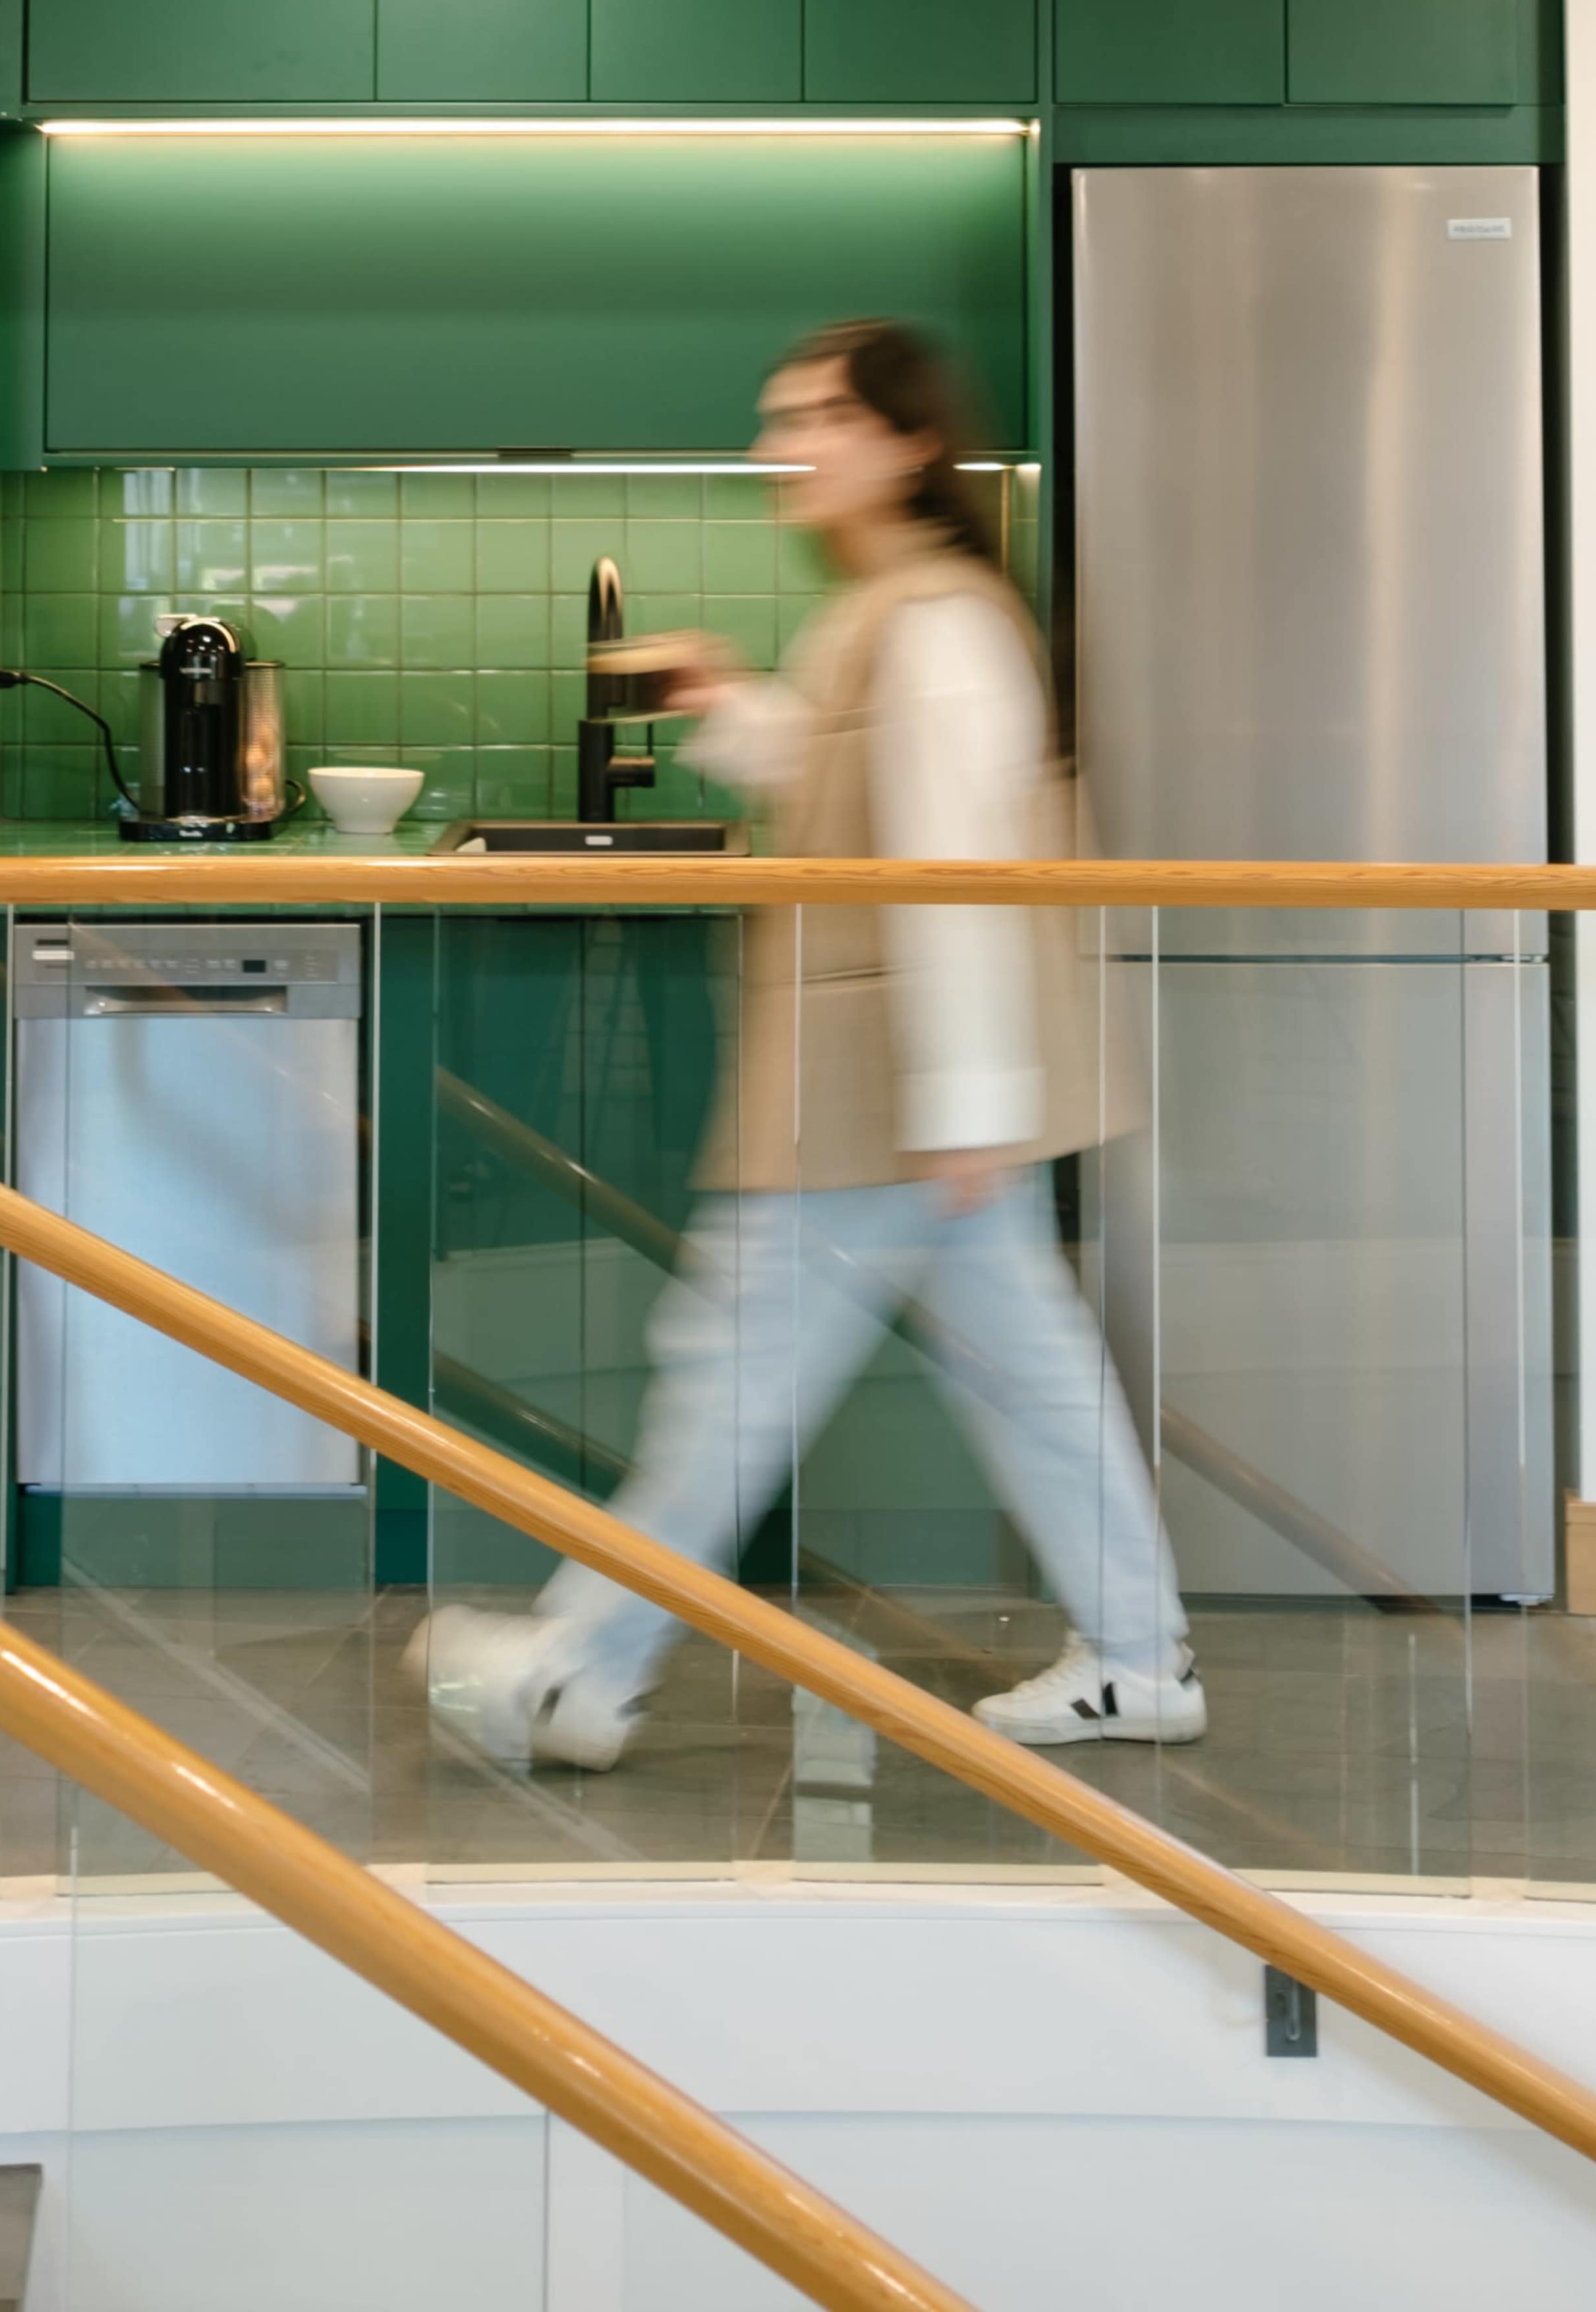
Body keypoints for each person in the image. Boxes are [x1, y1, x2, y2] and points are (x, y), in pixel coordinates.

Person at [411, 318, 1202, 1770]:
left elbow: (956, 870)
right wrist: (727, 702)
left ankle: (574, 1668)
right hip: (911, 1098)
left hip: (884, 1096)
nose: (785, 446)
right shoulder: (890, 609)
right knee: (1018, 1378)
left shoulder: (934, 618)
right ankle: (1142, 1658)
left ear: (909, 441)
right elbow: (851, 789)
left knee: (728, 1374)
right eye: (782, 418)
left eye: (820, 417)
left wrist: (964, 1105)